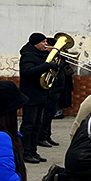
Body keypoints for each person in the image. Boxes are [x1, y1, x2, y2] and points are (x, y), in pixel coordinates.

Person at [18, 32, 58, 164]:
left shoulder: (43, 54)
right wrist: (47, 65)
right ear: (35, 43)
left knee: (37, 125)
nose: (45, 44)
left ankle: (33, 151)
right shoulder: (28, 56)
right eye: (43, 42)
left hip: (41, 94)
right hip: (30, 96)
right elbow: (28, 73)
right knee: (28, 125)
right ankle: (25, 152)